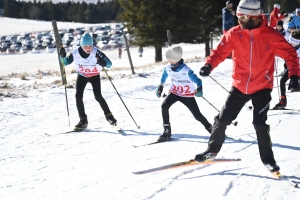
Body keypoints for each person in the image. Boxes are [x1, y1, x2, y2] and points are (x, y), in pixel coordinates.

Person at [194, 0, 300, 173]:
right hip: (239, 86)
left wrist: (294, 75)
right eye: (238, 15)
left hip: (262, 86)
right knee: (221, 120)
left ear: (252, 16)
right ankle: (212, 151)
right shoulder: (234, 33)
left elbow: (290, 54)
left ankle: (268, 160)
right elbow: (219, 52)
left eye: (242, 16)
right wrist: (209, 65)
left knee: (259, 124)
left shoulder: (270, 35)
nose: (239, 19)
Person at [59, 33, 117, 131]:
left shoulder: (96, 52)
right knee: (78, 96)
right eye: (85, 46)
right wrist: (62, 56)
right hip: (82, 75)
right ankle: (83, 121)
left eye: (90, 45)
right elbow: (65, 62)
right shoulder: (75, 53)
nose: (88, 48)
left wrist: (104, 63)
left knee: (98, 96)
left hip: (94, 76)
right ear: (81, 46)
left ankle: (110, 117)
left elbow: (109, 64)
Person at [155, 45, 212, 142]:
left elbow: (198, 80)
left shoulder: (186, 70)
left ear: (173, 58)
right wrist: (160, 86)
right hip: (175, 92)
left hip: (187, 95)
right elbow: (164, 76)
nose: (166, 58)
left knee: (197, 115)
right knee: (164, 106)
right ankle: (167, 131)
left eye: (168, 56)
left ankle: (212, 129)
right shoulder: (168, 68)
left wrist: (199, 89)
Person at [274, 29, 300, 109]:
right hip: (291, 69)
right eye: (291, 41)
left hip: (297, 69)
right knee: (282, 81)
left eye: (294, 42)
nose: (292, 44)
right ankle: (283, 101)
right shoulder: (289, 46)